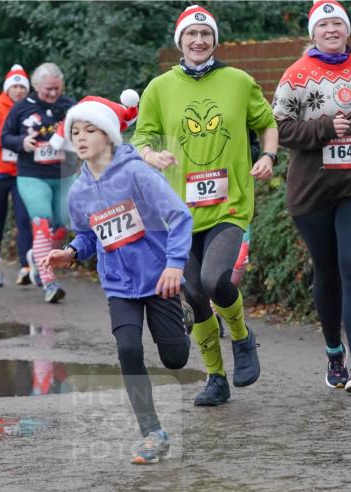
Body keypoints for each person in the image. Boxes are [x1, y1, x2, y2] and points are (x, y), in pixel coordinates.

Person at [132, 4, 278, 407]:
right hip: (179, 213)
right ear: (179, 41)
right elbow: (141, 138)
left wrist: (268, 157)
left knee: (216, 281)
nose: (199, 41)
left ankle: (243, 339)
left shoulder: (238, 81)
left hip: (230, 204)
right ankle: (216, 378)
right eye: (191, 35)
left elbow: (267, 123)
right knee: (194, 295)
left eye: (206, 35)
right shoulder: (160, 88)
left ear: (214, 40)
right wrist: (152, 157)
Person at [40, 91, 192, 464]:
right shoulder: (78, 191)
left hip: (160, 279)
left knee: (174, 359)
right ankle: (151, 432)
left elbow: (179, 216)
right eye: (75, 130)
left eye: (90, 129)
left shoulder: (138, 173)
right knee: (128, 350)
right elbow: (89, 236)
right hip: (119, 285)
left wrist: (175, 265)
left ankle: (185, 313)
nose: (81, 137)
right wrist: (72, 253)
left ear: (109, 135)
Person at [272, 0, 351, 394]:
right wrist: (325, 127)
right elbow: (279, 129)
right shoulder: (296, 75)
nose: (331, 30)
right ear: (312, 33)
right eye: (323, 25)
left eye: (337, 24)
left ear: (347, 30)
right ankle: (333, 353)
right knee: (327, 272)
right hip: (313, 190)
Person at [0, 63, 76, 303]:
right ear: (35, 86)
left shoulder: (69, 106)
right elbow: (5, 137)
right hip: (32, 174)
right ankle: (49, 282)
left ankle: (39, 257)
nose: (53, 94)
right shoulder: (22, 108)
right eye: (47, 90)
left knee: (62, 226)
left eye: (56, 89)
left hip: (65, 174)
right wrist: (22, 142)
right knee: (42, 222)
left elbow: (86, 130)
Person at [0, 64, 33, 288]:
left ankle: (25, 267)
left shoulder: (30, 109)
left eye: (23, 87)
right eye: (15, 87)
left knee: (24, 219)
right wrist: (3, 140)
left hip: (22, 172)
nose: (19, 91)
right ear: (7, 89)